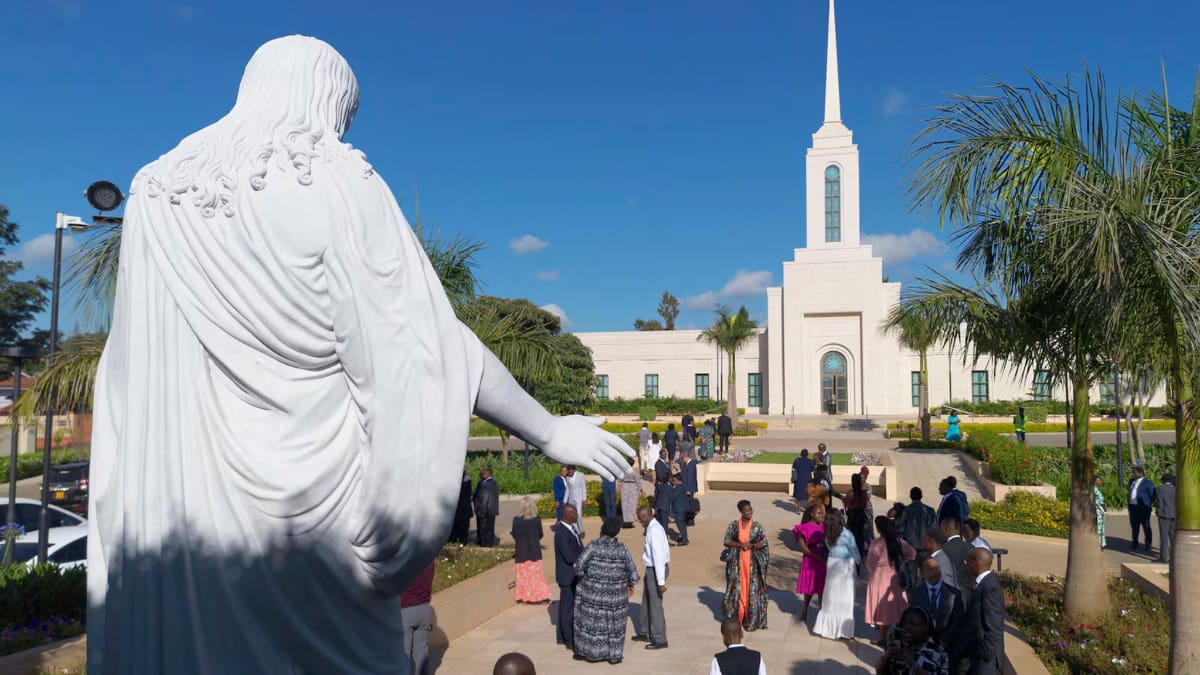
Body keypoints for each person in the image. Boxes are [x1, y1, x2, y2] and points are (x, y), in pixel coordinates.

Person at [87, 36, 636, 673]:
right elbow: (425, 350)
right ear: (327, 100)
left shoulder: (153, 193)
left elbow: (126, 381)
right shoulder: (338, 176)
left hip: (177, 555)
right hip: (313, 553)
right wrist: (545, 429)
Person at [572, 517, 640, 665]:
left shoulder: (593, 546)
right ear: (617, 532)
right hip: (615, 598)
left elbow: (578, 567)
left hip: (592, 596)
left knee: (590, 624)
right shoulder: (622, 550)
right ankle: (614, 656)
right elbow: (634, 576)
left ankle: (587, 652)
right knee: (614, 626)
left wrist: (591, 577)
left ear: (602, 529)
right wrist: (627, 583)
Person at [866, 516, 917, 645]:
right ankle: (898, 637)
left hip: (878, 579)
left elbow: (869, 564)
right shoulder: (899, 541)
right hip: (894, 579)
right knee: (897, 610)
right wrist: (900, 562)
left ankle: (883, 639)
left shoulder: (876, 544)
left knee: (882, 612)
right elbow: (913, 553)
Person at [955, 549, 1005, 675]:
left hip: (985, 663)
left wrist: (984, 656)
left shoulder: (990, 587)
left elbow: (994, 627)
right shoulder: (983, 583)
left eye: (967, 561)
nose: (965, 564)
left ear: (975, 562)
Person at [723, 499, 770, 631]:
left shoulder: (757, 526)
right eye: (747, 510)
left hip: (752, 566)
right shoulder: (734, 526)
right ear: (741, 512)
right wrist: (740, 545)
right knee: (737, 590)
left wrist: (753, 545)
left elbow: (764, 542)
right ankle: (737, 619)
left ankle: (751, 621)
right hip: (737, 566)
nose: (750, 512)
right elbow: (727, 540)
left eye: (750, 509)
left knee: (751, 590)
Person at [814, 510, 861, 640]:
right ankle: (844, 631)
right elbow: (854, 550)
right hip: (846, 566)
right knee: (846, 597)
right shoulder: (847, 534)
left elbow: (829, 548)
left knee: (831, 596)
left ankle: (828, 630)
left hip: (832, 564)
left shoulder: (827, 534)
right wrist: (858, 562)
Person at [634, 505, 670, 649]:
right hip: (651, 569)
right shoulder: (651, 528)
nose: (640, 521)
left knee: (655, 605)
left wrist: (660, 581)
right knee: (646, 601)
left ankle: (660, 638)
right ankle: (644, 631)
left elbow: (658, 557)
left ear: (648, 515)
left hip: (656, 570)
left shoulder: (654, 531)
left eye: (641, 518)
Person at [876, 606, 950, 675]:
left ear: (926, 627)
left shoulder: (937, 653)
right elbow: (879, 672)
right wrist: (887, 656)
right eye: (904, 624)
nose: (907, 627)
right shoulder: (897, 646)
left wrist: (912, 663)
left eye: (914, 624)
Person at [906, 557, 963, 641]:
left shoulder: (954, 593)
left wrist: (945, 639)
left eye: (937, 568)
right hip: (922, 642)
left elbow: (958, 620)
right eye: (931, 569)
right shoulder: (915, 593)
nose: (936, 571)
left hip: (947, 643)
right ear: (922, 573)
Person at [554, 504, 584, 650]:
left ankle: (562, 636)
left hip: (574, 575)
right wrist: (583, 559)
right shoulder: (561, 532)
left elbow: (579, 547)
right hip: (567, 576)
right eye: (574, 513)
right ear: (567, 514)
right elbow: (569, 556)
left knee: (569, 607)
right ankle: (568, 640)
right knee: (567, 609)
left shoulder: (572, 528)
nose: (577, 515)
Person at [511, 497, 551, 604]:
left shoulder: (516, 520)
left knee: (524, 577)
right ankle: (542, 597)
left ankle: (525, 598)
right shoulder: (536, 519)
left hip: (521, 552)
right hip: (535, 552)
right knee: (537, 577)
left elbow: (514, 534)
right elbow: (540, 534)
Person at [792, 502, 828, 622]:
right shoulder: (805, 528)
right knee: (810, 588)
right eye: (818, 514)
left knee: (822, 587)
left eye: (822, 514)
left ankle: (822, 612)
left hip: (823, 560)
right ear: (812, 515)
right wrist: (816, 556)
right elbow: (803, 548)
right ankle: (805, 610)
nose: (821, 516)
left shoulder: (825, 527)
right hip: (811, 560)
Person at [400, 561, 435, 675]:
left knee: (403, 655)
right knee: (421, 655)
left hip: (405, 610)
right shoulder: (428, 560)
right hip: (424, 610)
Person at [939, 518, 973, 606]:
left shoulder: (942, 549)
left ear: (946, 530)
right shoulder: (970, 547)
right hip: (968, 593)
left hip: (948, 594)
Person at [921, 528, 960, 594]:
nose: (922, 542)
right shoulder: (937, 558)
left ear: (930, 541)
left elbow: (948, 592)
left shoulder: (941, 562)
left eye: (924, 539)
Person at [901, 487, 937, 557]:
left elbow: (901, 529)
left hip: (910, 546)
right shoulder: (930, 510)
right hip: (926, 546)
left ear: (910, 496)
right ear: (921, 496)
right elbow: (934, 528)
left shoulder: (906, 510)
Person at [1127, 466, 1156, 552]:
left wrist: (1148, 503)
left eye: (1134, 472)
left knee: (1146, 526)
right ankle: (1134, 543)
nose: (1133, 474)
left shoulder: (1148, 483)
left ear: (1140, 473)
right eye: (1133, 472)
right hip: (1133, 508)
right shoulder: (1131, 481)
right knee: (1134, 526)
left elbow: (1152, 495)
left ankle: (1148, 544)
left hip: (1143, 508)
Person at [844, 473, 871, 559]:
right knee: (860, 535)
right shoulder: (864, 494)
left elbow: (847, 504)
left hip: (852, 515)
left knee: (851, 534)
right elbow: (865, 506)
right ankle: (859, 553)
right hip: (860, 514)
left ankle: (851, 553)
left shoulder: (850, 493)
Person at [474, 468, 500, 547]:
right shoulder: (486, 483)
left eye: (483, 473)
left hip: (486, 510)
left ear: (489, 474)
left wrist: (483, 511)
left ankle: (486, 544)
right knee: (487, 527)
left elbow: (485, 498)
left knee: (486, 528)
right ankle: (485, 542)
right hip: (489, 509)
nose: (481, 474)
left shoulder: (488, 485)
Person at [449, 470, 474, 544]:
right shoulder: (466, 482)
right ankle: (458, 542)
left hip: (462, 510)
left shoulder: (465, 483)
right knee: (460, 529)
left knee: (462, 529)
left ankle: (458, 542)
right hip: (462, 511)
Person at [1157, 473, 1177, 563]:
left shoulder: (1160, 488)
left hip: (1164, 515)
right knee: (1172, 536)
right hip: (1174, 515)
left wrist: (1159, 512)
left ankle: (1163, 557)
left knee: (1164, 536)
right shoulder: (1175, 489)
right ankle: (1174, 555)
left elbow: (1160, 502)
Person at [668, 474, 691, 546]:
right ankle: (684, 538)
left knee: (680, 524)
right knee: (682, 524)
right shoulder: (683, 486)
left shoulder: (679, 487)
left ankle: (684, 540)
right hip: (682, 508)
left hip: (679, 509)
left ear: (678, 480)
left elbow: (673, 496)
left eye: (674, 480)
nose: (673, 482)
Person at [566, 465, 588, 534]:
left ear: (574, 470)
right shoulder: (567, 477)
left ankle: (582, 530)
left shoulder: (580, 475)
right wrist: (564, 500)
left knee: (578, 515)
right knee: (572, 516)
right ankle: (577, 532)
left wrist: (584, 499)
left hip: (579, 499)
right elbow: (567, 489)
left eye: (570, 470)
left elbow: (583, 487)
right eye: (568, 470)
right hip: (571, 500)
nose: (569, 471)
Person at [680, 452, 699, 526]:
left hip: (689, 488)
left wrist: (688, 490)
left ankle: (690, 520)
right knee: (688, 504)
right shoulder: (689, 464)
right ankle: (688, 519)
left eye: (682, 459)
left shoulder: (691, 465)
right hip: (688, 487)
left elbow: (690, 478)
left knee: (689, 505)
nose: (682, 460)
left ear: (685, 457)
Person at [1093, 476, 1107, 548]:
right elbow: (1096, 501)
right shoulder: (1094, 490)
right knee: (1098, 528)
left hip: (1099, 511)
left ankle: (1101, 543)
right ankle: (1098, 544)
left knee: (1100, 527)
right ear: (1095, 481)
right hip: (1097, 511)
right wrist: (1102, 507)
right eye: (1099, 480)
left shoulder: (1096, 489)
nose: (1100, 482)